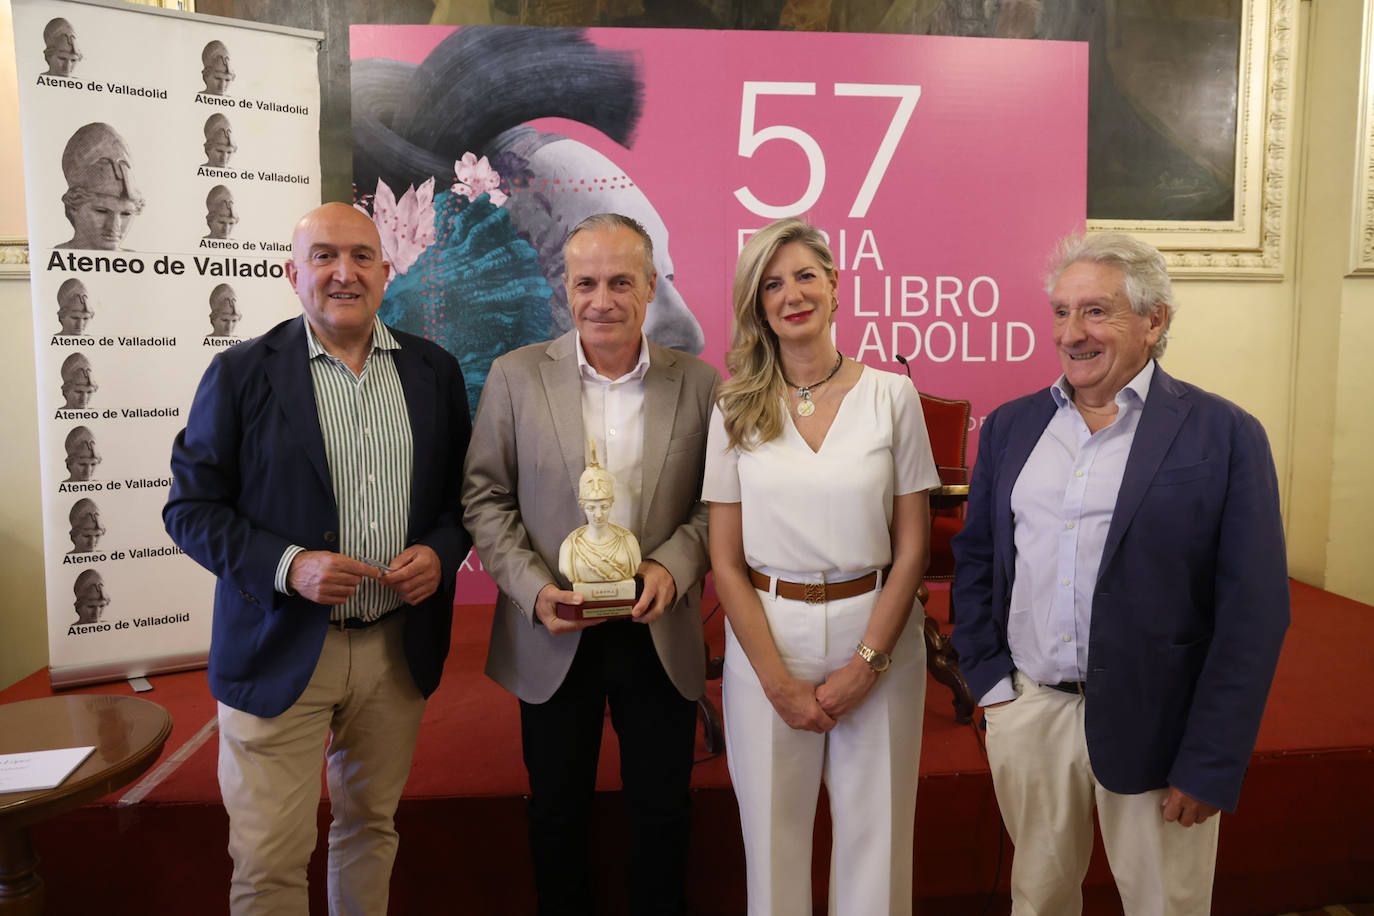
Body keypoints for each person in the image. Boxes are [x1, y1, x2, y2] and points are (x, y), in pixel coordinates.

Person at [951, 232, 1290, 915]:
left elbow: (1253, 612)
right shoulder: (1014, 428)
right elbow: (979, 559)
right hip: (1031, 713)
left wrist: (1210, 758)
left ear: (1154, 321)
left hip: (1160, 726)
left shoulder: (1224, 435)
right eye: (1061, 312)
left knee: (1166, 905)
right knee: (1038, 899)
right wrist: (991, 685)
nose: (1072, 333)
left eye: (1096, 312)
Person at [164, 202, 471, 916]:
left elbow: (466, 500)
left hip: (396, 648)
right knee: (270, 859)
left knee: (370, 829)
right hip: (278, 649)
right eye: (325, 257)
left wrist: (442, 551)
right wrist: (289, 566)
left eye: (362, 256)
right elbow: (190, 510)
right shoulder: (240, 375)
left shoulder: (434, 371)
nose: (344, 273)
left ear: (387, 272)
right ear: (292, 272)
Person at [462, 212, 719, 916]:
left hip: (656, 630)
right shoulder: (515, 378)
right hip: (554, 632)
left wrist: (672, 564)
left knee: (663, 813)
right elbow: (485, 498)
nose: (601, 300)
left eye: (619, 282)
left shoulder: (700, 385)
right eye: (585, 283)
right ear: (564, 288)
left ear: (651, 287)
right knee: (556, 812)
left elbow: (715, 505)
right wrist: (534, 590)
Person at [703, 217, 938, 915]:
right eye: (772, 284)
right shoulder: (734, 407)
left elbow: (915, 548)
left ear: (836, 286)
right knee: (773, 850)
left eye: (806, 275)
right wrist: (775, 682)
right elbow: (724, 558)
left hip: (881, 635)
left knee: (878, 842)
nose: (792, 294)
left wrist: (869, 660)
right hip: (767, 637)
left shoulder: (892, 396)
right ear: (757, 303)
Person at [559, 451, 641, 589]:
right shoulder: (570, 547)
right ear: (582, 506)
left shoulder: (628, 542)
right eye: (591, 508)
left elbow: (636, 565)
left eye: (604, 507)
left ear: (612, 504)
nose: (598, 514)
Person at [57, 123, 144, 251]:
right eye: (101, 211)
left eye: (126, 213)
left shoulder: (136, 262)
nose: (114, 227)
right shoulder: (59, 257)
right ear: (73, 207)